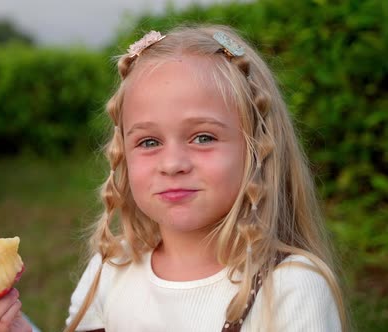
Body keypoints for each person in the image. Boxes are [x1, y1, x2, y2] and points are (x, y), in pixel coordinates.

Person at [64, 24, 347, 331]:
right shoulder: (111, 267)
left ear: (258, 149)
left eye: (203, 137)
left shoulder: (289, 287)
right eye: (149, 142)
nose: (172, 164)